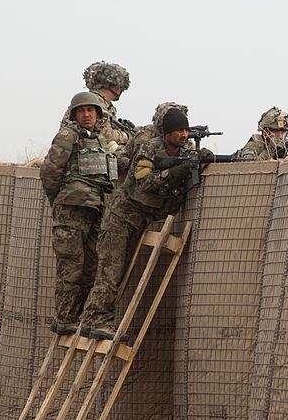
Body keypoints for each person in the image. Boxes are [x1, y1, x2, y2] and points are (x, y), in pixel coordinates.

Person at [79, 107, 210, 340]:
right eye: (179, 130)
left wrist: (204, 156)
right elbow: (144, 183)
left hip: (140, 220)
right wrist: (174, 173)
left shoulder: (185, 149)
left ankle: (93, 320)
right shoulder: (148, 149)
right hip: (121, 217)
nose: (184, 134)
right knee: (111, 272)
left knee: (117, 273)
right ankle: (97, 321)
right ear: (167, 132)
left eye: (186, 130)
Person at [40, 92, 120, 336]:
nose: (87, 115)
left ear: (98, 115)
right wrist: (60, 200)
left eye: (91, 111)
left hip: (95, 210)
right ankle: (65, 318)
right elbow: (50, 170)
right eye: (82, 111)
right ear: (75, 114)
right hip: (71, 211)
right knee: (71, 265)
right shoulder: (68, 136)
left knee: (92, 267)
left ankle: (79, 316)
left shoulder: (101, 141)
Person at [61, 61, 134, 150]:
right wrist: (127, 135)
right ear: (116, 87)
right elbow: (105, 135)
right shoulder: (97, 103)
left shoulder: (95, 100)